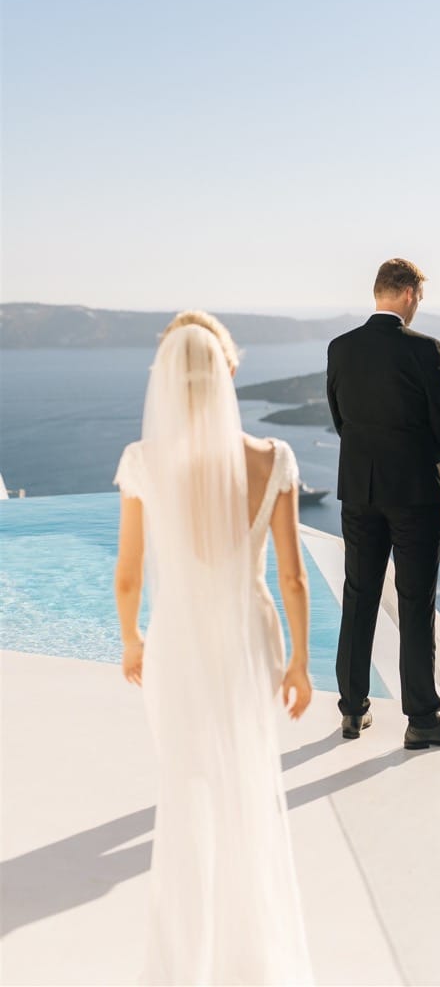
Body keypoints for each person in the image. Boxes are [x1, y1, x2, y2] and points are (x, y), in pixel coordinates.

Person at [114, 310, 313, 985]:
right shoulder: (274, 460)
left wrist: (132, 641)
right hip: (249, 641)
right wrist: (300, 662)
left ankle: (180, 969)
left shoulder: (144, 463)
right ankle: (254, 963)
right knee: (246, 788)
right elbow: (290, 576)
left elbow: (129, 577)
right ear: (230, 370)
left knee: (186, 789)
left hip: (177, 642)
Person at [326, 259, 440, 750]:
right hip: (414, 493)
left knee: (359, 595)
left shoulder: (340, 347)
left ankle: (352, 711)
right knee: (415, 603)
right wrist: (428, 465)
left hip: (360, 491)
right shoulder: (424, 348)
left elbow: (341, 417)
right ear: (409, 294)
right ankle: (422, 720)